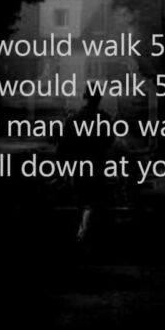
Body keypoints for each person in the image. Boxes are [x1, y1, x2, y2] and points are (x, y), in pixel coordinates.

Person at [56, 85, 115, 242]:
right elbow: (109, 140)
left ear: (85, 97)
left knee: (82, 201)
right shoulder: (104, 118)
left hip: (79, 167)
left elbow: (63, 147)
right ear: (99, 99)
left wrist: (64, 169)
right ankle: (87, 235)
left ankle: (82, 235)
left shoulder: (73, 118)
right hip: (97, 166)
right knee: (94, 202)